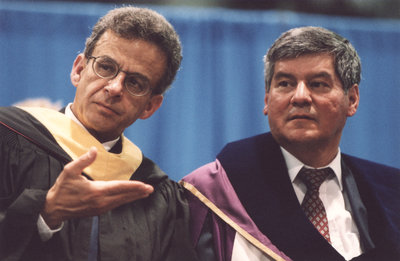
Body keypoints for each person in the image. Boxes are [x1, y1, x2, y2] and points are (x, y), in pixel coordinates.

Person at [181, 26, 400, 261]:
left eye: (318, 84)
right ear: (267, 99)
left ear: (352, 99)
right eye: (285, 83)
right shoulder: (210, 194)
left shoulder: (391, 194)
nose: (300, 96)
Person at [0, 6, 198, 261]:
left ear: (150, 106)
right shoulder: (7, 138)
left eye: (135, 83)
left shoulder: (156, 194)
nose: (115, 88)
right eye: (105, 67)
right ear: (79, 69)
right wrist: (44, 214)